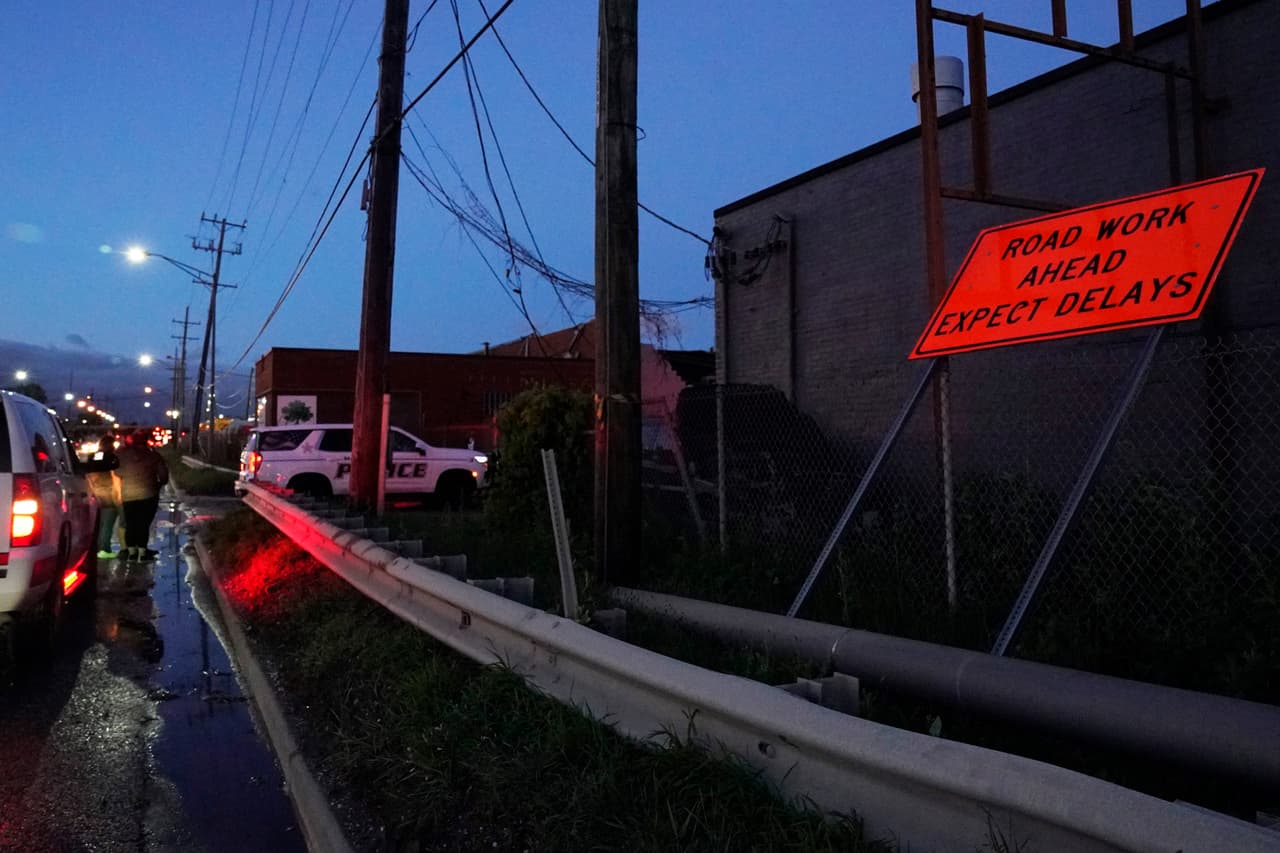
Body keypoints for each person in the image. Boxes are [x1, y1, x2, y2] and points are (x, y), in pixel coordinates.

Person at [113, 430, 169, 561]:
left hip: (128, 495)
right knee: (143, 524)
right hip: (149, 494)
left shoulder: (121, 455)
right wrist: (157, 485)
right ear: (146, 441)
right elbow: (164, 476)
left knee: (131, 524)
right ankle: (142, 554)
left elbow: (116, 472)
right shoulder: (153, 456)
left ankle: (132, 553)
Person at [88, 433, 121, 559]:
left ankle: (96, 548)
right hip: (108, 492)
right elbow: (115, 475)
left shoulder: (93, 456)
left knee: (98, 523)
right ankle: (104, 549)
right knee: (108, 523)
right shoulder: (112, 457)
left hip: (94, 492)